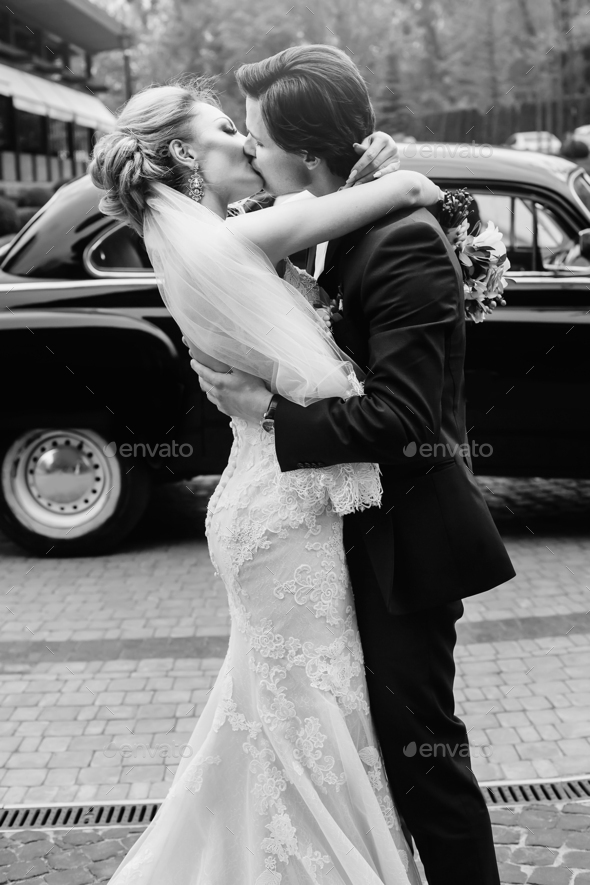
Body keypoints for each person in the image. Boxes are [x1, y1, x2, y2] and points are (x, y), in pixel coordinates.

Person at [89, 69, 441, 884]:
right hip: (283, 510)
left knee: (279, 715)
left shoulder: (209, 235)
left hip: (265, 497)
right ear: (182, 151)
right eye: (225, 130)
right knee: (312, 711)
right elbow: (414, 186)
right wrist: (385, 164)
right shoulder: (230, 239)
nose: (246, 142)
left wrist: (363, 163)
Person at [190, 46, 517, 885]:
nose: (252, 154)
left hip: (406, 547)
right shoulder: (327, 216)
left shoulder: (401, 242)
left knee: (426, 768)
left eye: (259, 138)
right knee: (375, 767)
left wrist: (266, 414)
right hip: (342, 542)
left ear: (305, 148)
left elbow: (405, 419)